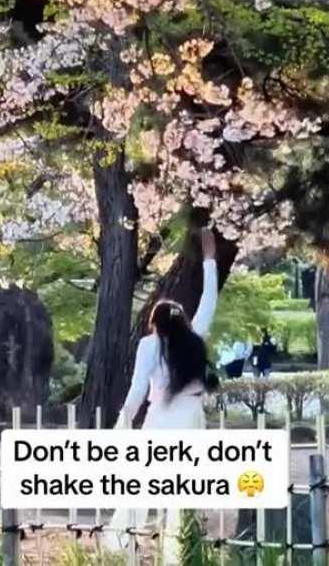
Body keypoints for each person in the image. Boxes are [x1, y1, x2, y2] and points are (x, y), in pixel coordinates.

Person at [102, 229, 219, 561]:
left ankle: (124, 547)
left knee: (142, 486)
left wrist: (122, 423)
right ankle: (180, 550)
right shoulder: (195, 340)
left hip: (159, 420)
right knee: (183, 491)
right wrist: (209, 259)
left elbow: (138, 389)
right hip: (191, 419)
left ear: (154, 324)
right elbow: (209, 299)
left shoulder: (149, 345)